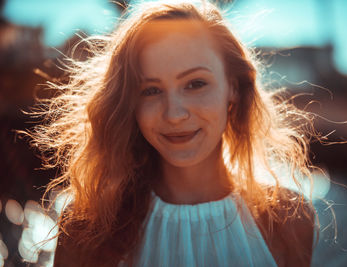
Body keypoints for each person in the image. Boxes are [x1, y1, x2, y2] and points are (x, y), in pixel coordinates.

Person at [28, 1, 317, 266]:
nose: (174, 114)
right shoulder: (86, 227)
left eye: (195, 84)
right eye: (150, 90)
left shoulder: (290, 220)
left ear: (234, 88)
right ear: (130, 102)